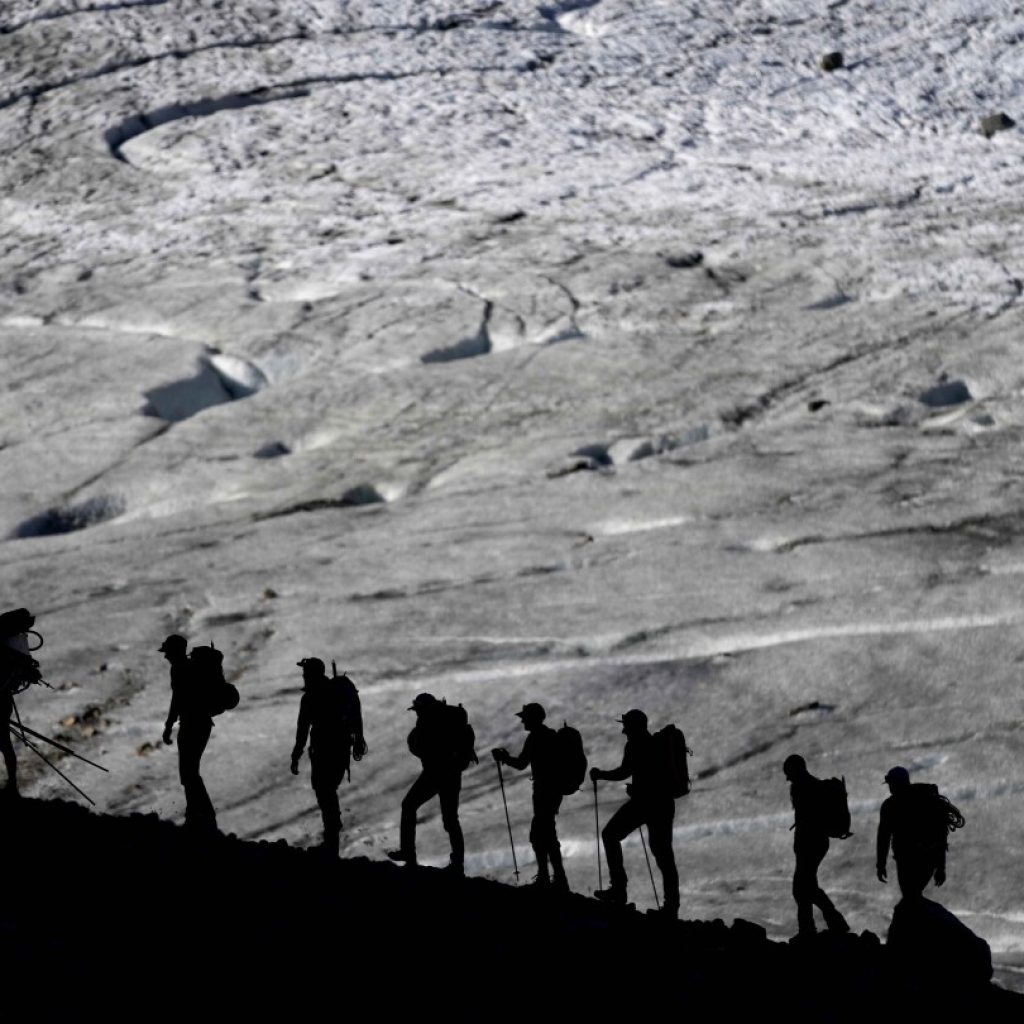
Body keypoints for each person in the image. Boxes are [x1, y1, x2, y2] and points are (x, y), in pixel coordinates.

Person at [590, 709, 679, 916]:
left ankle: (619, 892)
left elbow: (624, 772)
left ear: (634, 726)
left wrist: (600, 774)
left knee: (610, 835)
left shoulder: (635, 745)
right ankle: (671, 907)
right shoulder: (657, 744)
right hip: (663, 804)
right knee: (664, 855)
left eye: (626, 726)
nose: (624, 731)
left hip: (644, 804)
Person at [388, 692, 477, 872]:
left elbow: (422, 748)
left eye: (418, 710)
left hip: (435, 774)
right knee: (450, 818)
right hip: (452, 774)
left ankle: (408, 853)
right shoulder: (450, 717)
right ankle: (457, 863)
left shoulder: (428, 722)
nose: (417, 713)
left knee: (409, 805)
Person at [290, 658, 366, 856]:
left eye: (306, 672)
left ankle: (331, 842)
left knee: (325, 791)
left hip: (324, 751)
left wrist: (296, 754)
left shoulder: (310, 697)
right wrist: (358, 740)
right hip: (339, 749)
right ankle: (332, 839)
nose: (304, 676)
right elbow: (355, 715)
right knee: (327, 791)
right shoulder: (336, 691)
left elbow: (303, 729)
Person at [492, 703, 569, 891]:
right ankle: (555, 878)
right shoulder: (550, 735)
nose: (522, 720)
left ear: (533, 718)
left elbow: (520, 764)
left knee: (540, 835)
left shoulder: (535, 738)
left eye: (525, 717)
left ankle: (551, 879)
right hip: (553, 791)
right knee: (546, 833)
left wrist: (504, 757)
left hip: (544, 791)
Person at [783, 754, 849, 936]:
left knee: (803, 887)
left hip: (810, 843)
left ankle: (824, 923)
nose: (787, 778)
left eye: (789, 773)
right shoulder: (812, 785)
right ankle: (813, 927)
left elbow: (807, 820)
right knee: (805, 886)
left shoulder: (802, 788)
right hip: (814, 843)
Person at [161, 636, 217, 832]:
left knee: (189, 772)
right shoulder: (190, 667)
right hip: (200, 724)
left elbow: (177, 700)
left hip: (193, 725)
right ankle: (198, 814)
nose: (166, 656)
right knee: (190, 772)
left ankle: (202, 816)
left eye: (167, 651)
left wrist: (169, 726)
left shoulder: (180, 669)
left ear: (175, 651)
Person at [876, 765, 948, 900]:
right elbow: (940, 836)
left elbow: (883, 838)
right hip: (927, 858)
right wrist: (940, 868)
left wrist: (881, 865)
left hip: (906, 861)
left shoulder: (889, 806)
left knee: (910, 896)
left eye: (890, 784)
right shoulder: (928, 800)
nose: (889, 787)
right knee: (912, 896)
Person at [0, 608, 44, 798]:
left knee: (4, 744)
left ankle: (12, 785)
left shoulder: (5, 642)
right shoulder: (11, 644)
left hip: (1, 697)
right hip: (3, 698)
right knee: (4, 744)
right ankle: (12, 785)